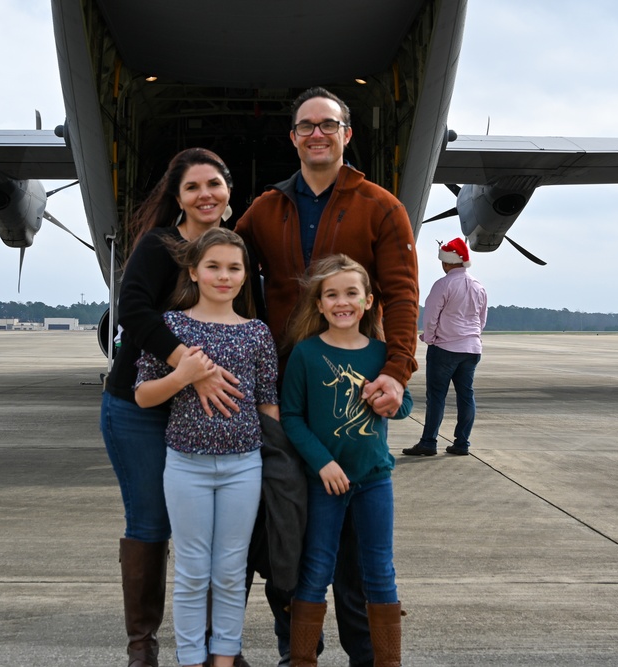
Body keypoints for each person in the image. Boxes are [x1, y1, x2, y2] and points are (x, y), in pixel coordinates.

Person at [235, 86, 418, 666]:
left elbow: (403, 295)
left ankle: (369, 654)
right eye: (306, 126)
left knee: (360, 548)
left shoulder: (381, 206)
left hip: (353, 393)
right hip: (286, 394)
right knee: (291, 533)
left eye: (328, 125)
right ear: (293, 137)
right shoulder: (265, 209)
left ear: (346, 134)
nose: (317, 133)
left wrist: (396, 371)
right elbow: (227, 274)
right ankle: (300, 653)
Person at [100, 148, 245, 667]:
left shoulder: (232, 250)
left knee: (210, 530)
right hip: (139, 406)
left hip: (203, 408)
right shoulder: (161, 247)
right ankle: (143, 646)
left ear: (228, 192)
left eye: (215, 184)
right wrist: (187, 364)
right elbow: (132, 307)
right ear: (178, 197)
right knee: (151, 522)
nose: (205, 194)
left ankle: (216, 647)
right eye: (192, 187)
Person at [134, 227, 279, 667]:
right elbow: (143, 394)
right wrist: (182, 375)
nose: (223, 276)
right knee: (193, 571)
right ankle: (191, 659)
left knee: (232, 571)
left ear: (245, 276)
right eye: (213, 266)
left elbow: (267, 405)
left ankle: (223, 657)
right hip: (186, 465)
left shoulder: (257, 333)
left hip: (243, 466)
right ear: (193, 271)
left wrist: (276, 467)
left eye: (233, 268)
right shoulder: (173, 326)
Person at [281, 254, 412, 666]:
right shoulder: (305, 354)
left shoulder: (381, 353)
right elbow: (291, 417)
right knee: (317, 568)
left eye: (351, 293)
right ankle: (303, 659)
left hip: (374, 479)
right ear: (318, 304)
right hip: (326, 482)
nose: (342, 302)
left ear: (369, 301)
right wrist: (322, 463)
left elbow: (404, 403)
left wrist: (391, 401)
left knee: (380, 570)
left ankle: (387, 660)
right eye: (331, 294)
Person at [403, 237, 487, 457]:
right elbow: (482, 319)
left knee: (437, 396)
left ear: (447, 263)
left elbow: (431, 316)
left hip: (446, 347)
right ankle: (462, 443)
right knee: (466, 395)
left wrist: (429, 338)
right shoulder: (479, 286)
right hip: (471, 348)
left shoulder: (444, 284)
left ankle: (429, 442)